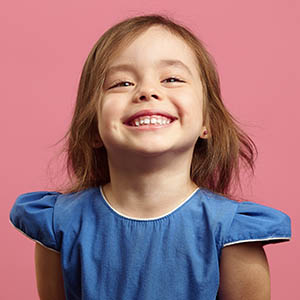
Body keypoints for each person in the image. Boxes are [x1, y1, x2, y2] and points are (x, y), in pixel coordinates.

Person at [10, 14, 291, 300]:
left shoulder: (233, 234)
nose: (147, 92)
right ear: (93, 128)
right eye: (121, 83)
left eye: (171, 79)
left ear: (208, 122)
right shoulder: (59, 225)